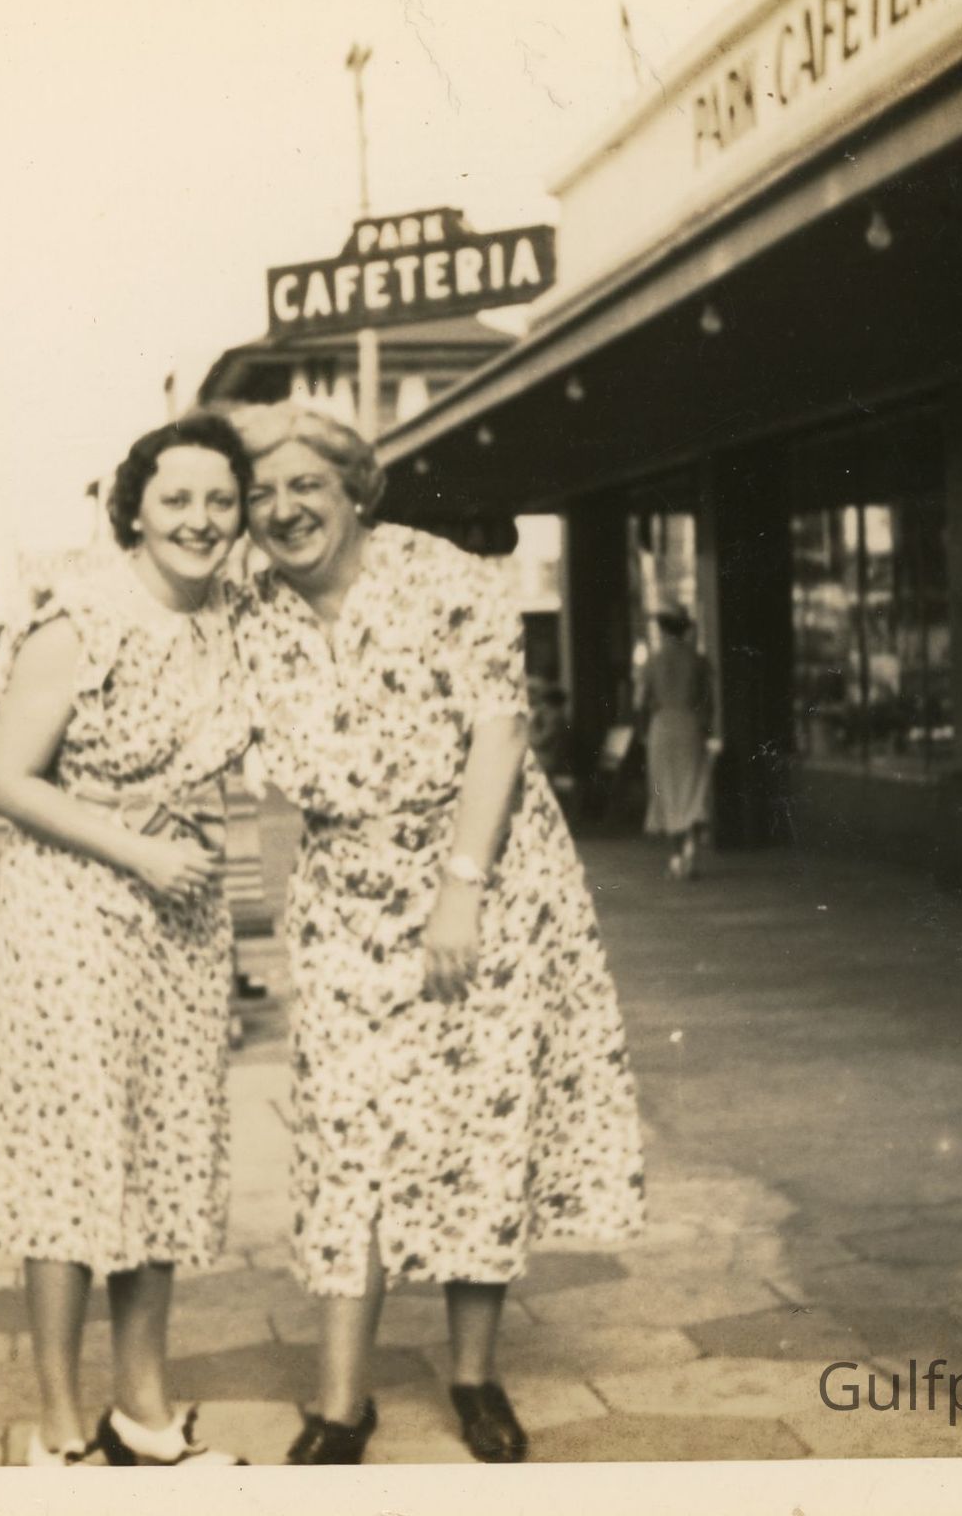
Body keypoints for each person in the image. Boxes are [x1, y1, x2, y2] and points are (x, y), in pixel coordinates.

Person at [226, 402, 646, 1466]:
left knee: (476, 1119)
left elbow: (500, 732)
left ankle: (473, 1375)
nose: (284, 510)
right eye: (261, 493)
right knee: (343, 1131)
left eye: (306, 486)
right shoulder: (246, 611)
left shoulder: (445, 578)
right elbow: (263, 781)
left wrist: (461, 889)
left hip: (484, 866)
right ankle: (340, 1403)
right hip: (343, 888)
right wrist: (282, 919)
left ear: (353, 490)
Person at [0, 413, 254, 1468]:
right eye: (176, 499)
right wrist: (137, 853)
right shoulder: (82, 617)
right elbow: (6, 778)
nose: (199, 519)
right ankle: (57, 1433)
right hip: (75, 910)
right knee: (72, 1156)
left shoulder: (229, 615)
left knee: (165, 1152)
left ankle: (143, 1411)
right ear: (133, 510)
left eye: (219, 500)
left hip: (180, 918)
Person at [636, 605, 714, 879]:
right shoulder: (698, 661)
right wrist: (706, 727)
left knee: (666, 789)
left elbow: (640, 703)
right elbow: (708, 701)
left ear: (662, 629)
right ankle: (690, 847)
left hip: (662, 728)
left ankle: (675, 856)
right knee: (692, 787)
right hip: (690, 726)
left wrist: (644, 731)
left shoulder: (652, 662)